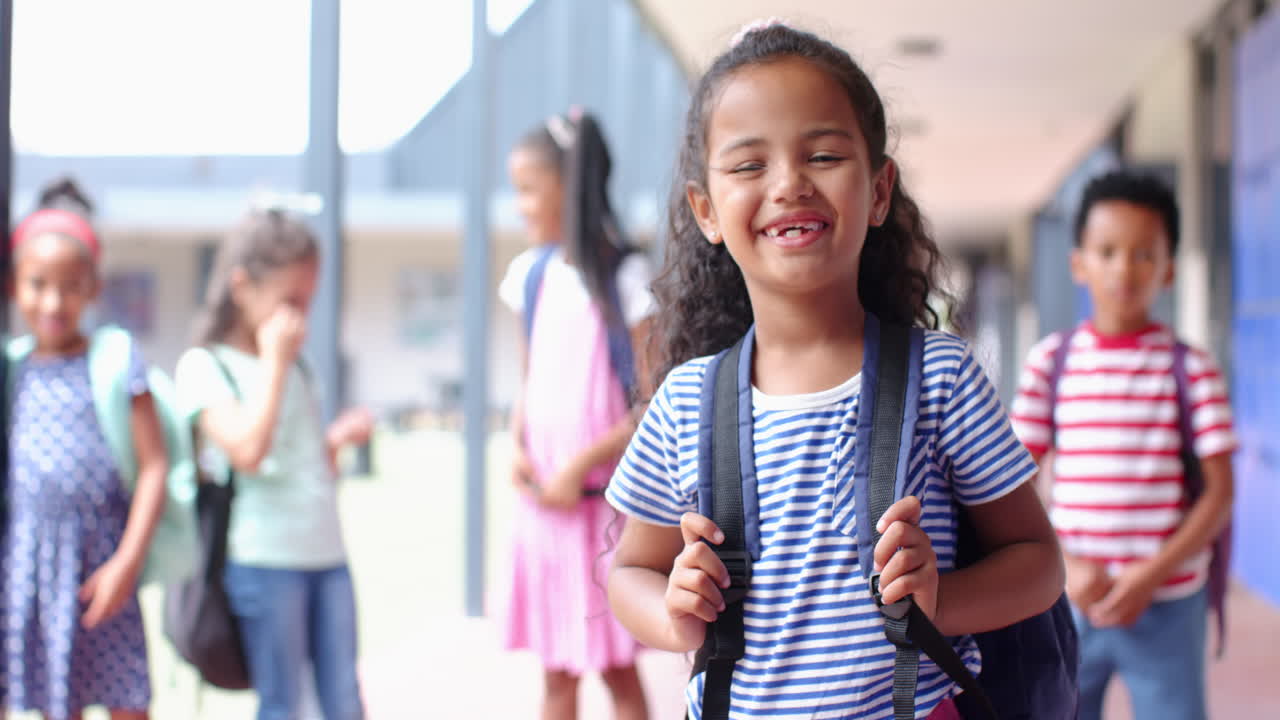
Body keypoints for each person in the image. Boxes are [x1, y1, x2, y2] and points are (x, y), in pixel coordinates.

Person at [604, 21, 1065, 719]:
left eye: (822, 154)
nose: (789, 183)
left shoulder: (939, 378)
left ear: (879, 190)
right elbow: (629, 573)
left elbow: (1038, 561)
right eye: (749, 164)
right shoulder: (685, 403)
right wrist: (674, 613)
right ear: (707, 211)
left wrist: (945, 599)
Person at [1010, 170, 1236, 720]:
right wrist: (1067, 562)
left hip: (1168, 603)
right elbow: (1012, 484)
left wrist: (1151, 573)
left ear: (1169, 270)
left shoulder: (1191, 370)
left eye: (1143, 254)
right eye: (1107, 251)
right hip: (1070, 598)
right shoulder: (1051, 363)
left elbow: (1220, 493)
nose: (1124, 268)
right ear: (1078, 263)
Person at [174, 209, 373, 720]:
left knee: (345, 700)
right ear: (242, 287)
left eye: (307, 303)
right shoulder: (205, 366)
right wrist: (275, 362)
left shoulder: (300, 366)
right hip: (264, 559)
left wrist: (338, 438)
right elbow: (247, 451)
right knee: (284, 703)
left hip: (326, 553)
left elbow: (306, 462)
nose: (299, 317)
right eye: (290, 301)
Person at [496, 110, 652, 720]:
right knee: (556, 676)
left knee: (618, 671)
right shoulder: (529, 277)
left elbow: (647, 404)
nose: (520, 205)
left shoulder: (626, 278)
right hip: (544, 513)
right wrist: (516, 446)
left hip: (601, 515)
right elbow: (528, 382)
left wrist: (579, 467)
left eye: (528, 189)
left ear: (569, 184)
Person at [1, 178, 167, 720]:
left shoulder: (116, 361)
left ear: (94, 287)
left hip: (104, 567)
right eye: (37, 284)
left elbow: (153, 467)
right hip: (30, 570)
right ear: (13, 286)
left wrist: (128, 562)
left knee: (127, 703)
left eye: (70, 286)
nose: (53, 301)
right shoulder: (12, 370)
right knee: (55, 703)